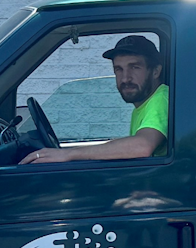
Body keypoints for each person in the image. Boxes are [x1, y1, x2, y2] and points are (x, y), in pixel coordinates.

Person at [21, 35, 168, 164]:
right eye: (119, 69)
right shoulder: (145, 104)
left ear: (155, 71)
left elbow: (142, 146)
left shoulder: (161, 99)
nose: (125, 78)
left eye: (135, 67)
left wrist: (67, 154)